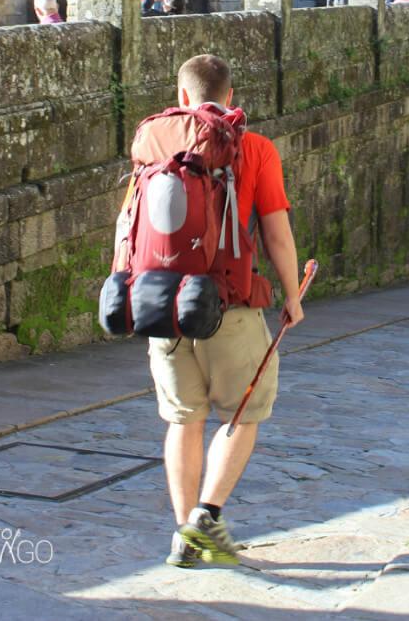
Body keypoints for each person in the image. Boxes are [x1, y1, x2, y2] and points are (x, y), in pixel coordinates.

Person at [141, 54, 304, 568]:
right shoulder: (253, 148)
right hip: (228, 304)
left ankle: (182, 530)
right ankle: (205, 518)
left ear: (182, 96)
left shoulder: (155, 141)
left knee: (182, 419)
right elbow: (276, 233)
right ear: (230, 98)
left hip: (161, 304)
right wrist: (293, 297)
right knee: (242, 413)